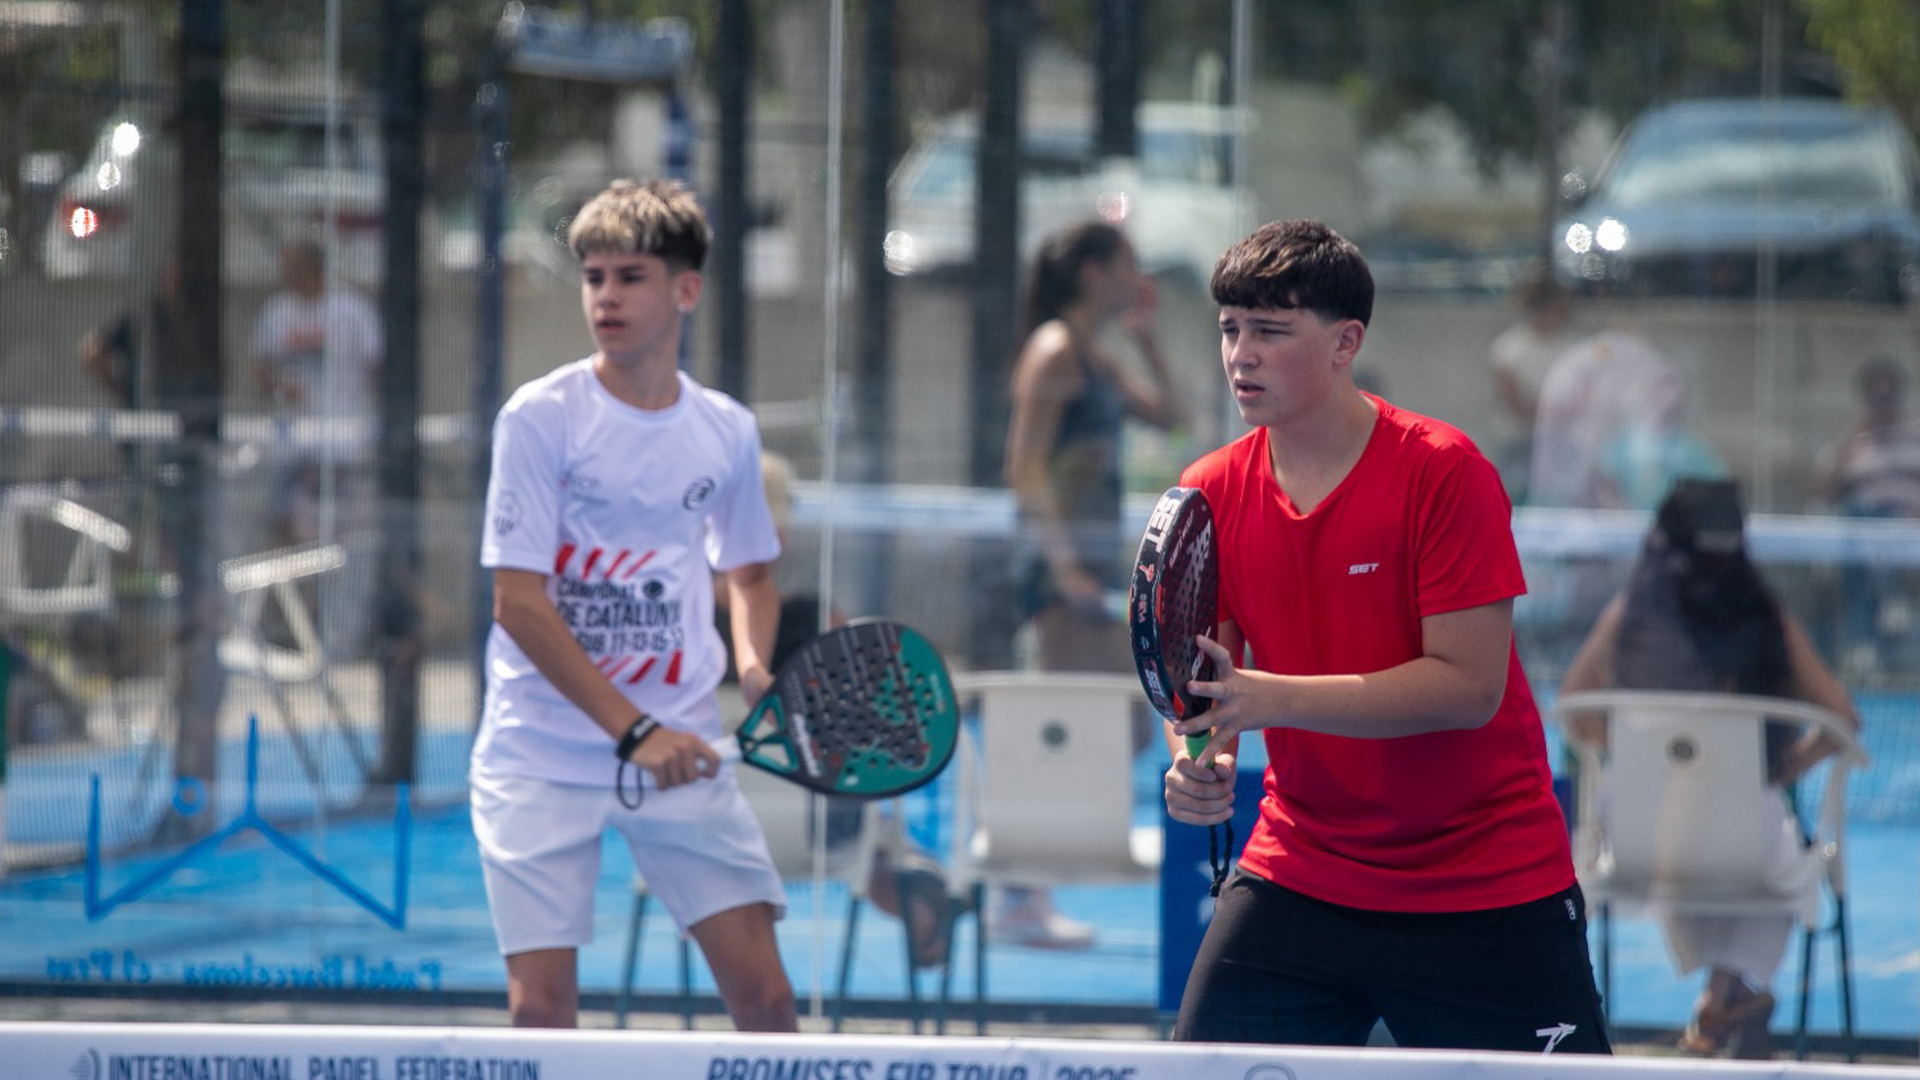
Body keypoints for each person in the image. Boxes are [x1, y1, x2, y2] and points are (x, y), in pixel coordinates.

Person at [1161, 218, 1611, 1053]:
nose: (1240, 355)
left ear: (1346, 342)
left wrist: (1266, 699)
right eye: (1229, 329)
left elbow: (1467, 689)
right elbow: (1209, 686)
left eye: (1269, 331)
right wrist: (1200, 761)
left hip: (1485, 886)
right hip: (1300, 870)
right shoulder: (1210, 489)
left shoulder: (1445, 471)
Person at [472, 178, 797, 1031]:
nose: (605, 297)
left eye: (629, 277)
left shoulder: (726, 430)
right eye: (593, 278)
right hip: (538, 754)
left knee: (768, 1004)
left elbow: (750, 576)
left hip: (683, 749)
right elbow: (517, 605)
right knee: (541, 1016)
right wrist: (636, 732)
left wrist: (754, 666)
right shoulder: (539, 419)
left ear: (686, 290)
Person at [1559, 477, 1861, 1059]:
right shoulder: (1769, 619)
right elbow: (1842, 719)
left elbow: (1574, 704)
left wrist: (1639, 761)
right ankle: (1725, 995)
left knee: (1706, 851)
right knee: (1774, 855)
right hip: (1744, 842)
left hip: (1638, 841)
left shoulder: (1628, 613)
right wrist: (1783, 770)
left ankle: (1721, 1001)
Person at [1001, 220, 1186, 949]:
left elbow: (1173, 418)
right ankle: (1019, 889)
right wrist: (1062, 567)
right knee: (1068, 727)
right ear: (1091, 272)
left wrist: (1148, 339)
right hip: (1058, 575)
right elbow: (1025, 469)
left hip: (1092, 571)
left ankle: (1030, 873)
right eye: (1128, 266)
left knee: (1128, 723)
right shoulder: (1053, 351)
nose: (1138, 279)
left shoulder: (1095, 358)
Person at [248, 239, 383, 659]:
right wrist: (277, 384)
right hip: (291, 449)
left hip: (339, 451)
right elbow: (260, 367)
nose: (287, 275)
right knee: (284, 529)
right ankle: (294, 626)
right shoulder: (277, 310)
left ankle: (332, 631)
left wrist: (372, 432)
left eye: (294, 266)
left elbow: (377, 368)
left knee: (331, 539)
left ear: (315, 268)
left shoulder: (352, 310)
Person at [1810, 356, 1920, 674]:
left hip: (1907, 532)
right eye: (1876, 396)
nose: (1883, 404)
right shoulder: (1853, 444)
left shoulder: (1915, 439)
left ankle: (1869, 637)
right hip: (1860, 536)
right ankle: (1887, 607)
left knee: (1884, 519)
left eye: (1888, 396)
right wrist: (1852, 436)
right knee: (1861, 513)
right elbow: (1821, 492)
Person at [1485, 269, 1578, 500]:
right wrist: (1556, 410)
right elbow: (1518, 409)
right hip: (1519, 444)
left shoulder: (1573, 348)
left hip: (1562, 444)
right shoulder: (1507, 349)